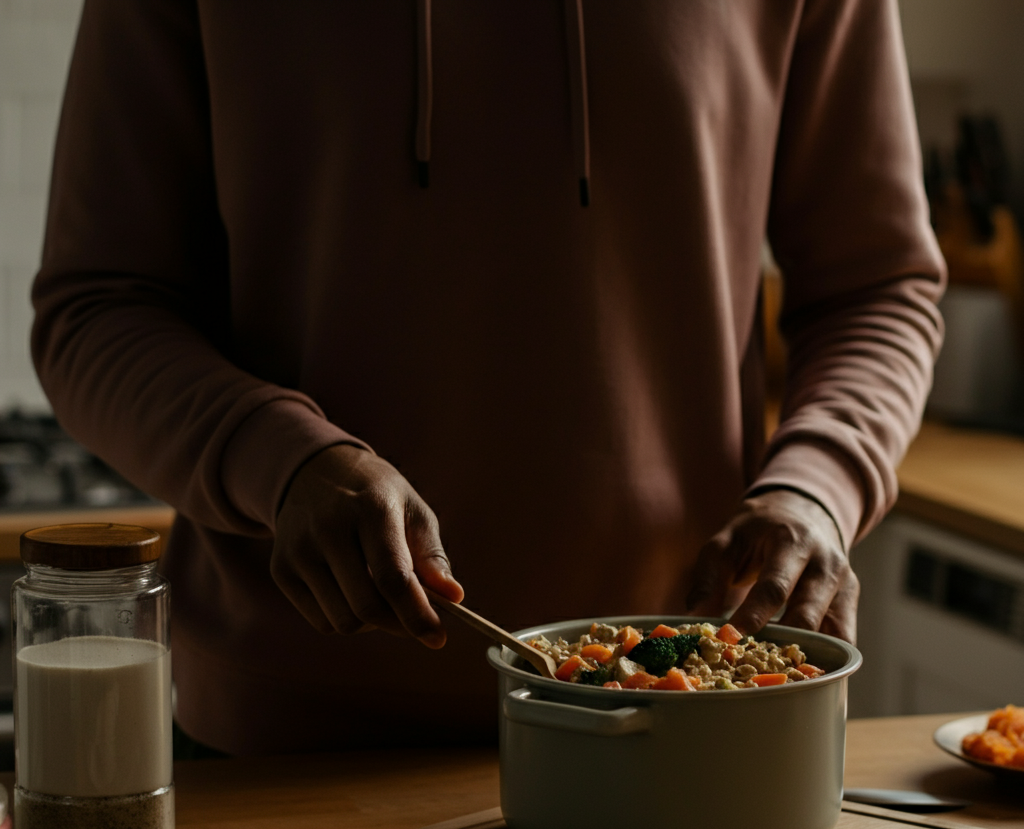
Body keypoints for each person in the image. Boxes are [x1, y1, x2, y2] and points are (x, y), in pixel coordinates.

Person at [32, 0, 944, 754]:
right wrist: (278, 459)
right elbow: (97, 308)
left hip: (683, 732)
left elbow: (879, 289)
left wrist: (816, 489)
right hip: (290, 747)